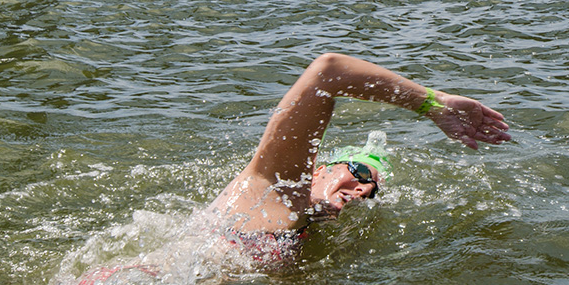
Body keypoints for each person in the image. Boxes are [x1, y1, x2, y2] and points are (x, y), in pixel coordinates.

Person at [207, 53, 511, 249]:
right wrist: (432, 103)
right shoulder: (273, 190)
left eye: (372, 189)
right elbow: (329, 72)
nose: (363, 188)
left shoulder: (310, 238)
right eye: (359, 172)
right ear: (319, 171)